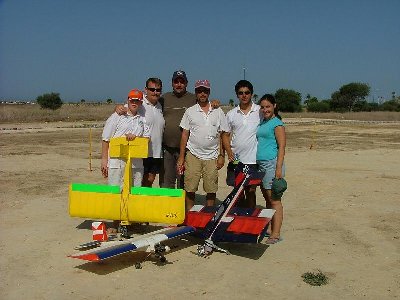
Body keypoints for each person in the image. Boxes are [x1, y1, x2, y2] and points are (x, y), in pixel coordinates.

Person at [101, 89, 150, 233]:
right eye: (132, 100)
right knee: (115, 190)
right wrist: (104, 160)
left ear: (141, 102)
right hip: (117, 162)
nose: (135, 103)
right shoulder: (117, 116)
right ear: (128, 100)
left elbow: (147, 138)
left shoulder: (142, 119)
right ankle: (114, 223)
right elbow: (106, 139)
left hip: (135, 163)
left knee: (132, 191)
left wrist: (136, 138)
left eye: (138, 100)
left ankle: (129, 221)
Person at [177, 80, 230, 210]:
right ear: (195, 93)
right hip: (193, 155)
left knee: (211, 190)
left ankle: (208, 217)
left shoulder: (218, 111)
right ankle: (190, 216)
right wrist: (181, 157)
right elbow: (185, 134)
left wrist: (221, 155)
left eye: (205, 91)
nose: (202, 93)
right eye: (199, 91)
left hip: (212, 156)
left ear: (209, 92)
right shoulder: (190, 111)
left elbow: (223, 134)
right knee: (190, 188)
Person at [224, 80, 262, 209]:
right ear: (237, 95)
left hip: (253, 160)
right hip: (237, 160)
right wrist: (229, 152)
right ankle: (239, 221)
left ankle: (250, 219)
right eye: (241, 93)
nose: (244, 95)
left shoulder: (260, 111)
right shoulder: (231, 114)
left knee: (251, 191)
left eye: (247, 92)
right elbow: (225, 135)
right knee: (238, 193)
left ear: (251, 94)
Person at [256, 94, 287, 245]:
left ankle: (276, 233)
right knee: (268, 200)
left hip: (271, 165)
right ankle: (270, 229)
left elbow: (282, 147)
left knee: (275, 200)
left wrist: (278, 169)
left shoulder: (277, 123)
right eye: (262, 107)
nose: (265, 109)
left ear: (274, 106)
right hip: (261, 165)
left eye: (268, 106)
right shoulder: (263, 123)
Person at [159, 70, 197, 189]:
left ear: (186, 83)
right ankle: (167, 207)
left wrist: (215, 103)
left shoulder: (193, 98)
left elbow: (207, 106)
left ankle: (182, 207)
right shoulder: (164, 98)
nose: (179, 84)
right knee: (166, 183)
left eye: (182, 81)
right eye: (176, 82)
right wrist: (121, 108)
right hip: (167, 149)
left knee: (184, 183)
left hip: (186, 150)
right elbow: (147, 106)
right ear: (172, 83)